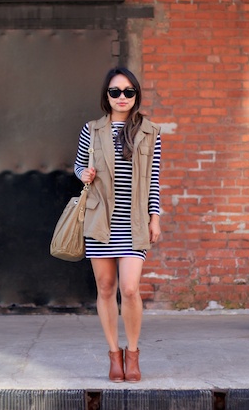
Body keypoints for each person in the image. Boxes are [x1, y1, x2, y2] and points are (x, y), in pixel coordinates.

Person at [74, 67, 162, 382]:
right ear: (106, 96)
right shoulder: (92, 129)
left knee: (130, 288)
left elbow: (154, 179)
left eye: (128, 92)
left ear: (136, 95)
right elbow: (79, 164)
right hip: (101, 219)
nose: (122, 97)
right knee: (106, 287)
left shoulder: (150, 131)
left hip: (134, 221)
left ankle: (133, 353)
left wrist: (155, 216)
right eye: (115, 92)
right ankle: (114, 354)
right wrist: (82, 174)